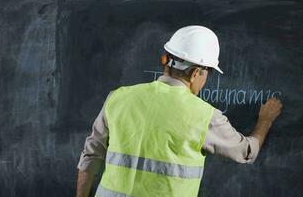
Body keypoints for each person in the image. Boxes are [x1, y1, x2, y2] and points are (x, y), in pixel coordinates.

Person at [76, 25, 283, 197]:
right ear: (195, 73)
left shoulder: (118, 97)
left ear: (166, 60)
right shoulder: (205, 116)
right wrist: (265, 121)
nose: (205, 81)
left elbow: (91, 155)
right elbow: (246, 152)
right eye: (207, 74)